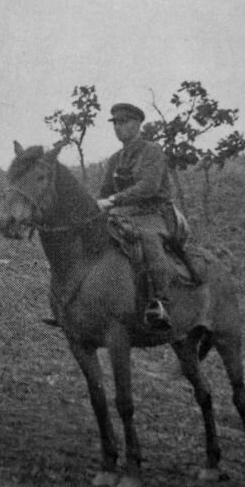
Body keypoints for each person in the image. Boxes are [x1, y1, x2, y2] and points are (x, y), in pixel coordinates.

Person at [96, 102, 177, 331]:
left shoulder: (152, 151)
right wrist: (98, 205)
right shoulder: (114, 159)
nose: (118, 127)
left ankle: (161, 302)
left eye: (124, 122)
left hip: (153, 213)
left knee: (148, 239)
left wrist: (113, 201)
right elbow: (104, 192)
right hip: (122, 213)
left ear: (138, 124)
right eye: (116, 123)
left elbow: (148, 187)